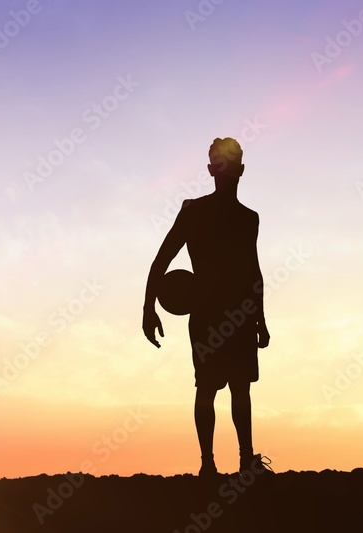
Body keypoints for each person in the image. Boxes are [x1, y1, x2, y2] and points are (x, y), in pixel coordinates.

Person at [142, 137, 272, 477]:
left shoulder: (246, 218)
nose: (226, 171)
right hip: (217, 312)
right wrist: (147, 307)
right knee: (214, 387)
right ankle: (217, 464)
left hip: (233, 311)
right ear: (215, 169)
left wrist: (260, 318)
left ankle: (231, 463)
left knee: (226, 388)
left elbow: (252, 269)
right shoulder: (196, 212)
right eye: (223, 164)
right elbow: (162, 259)